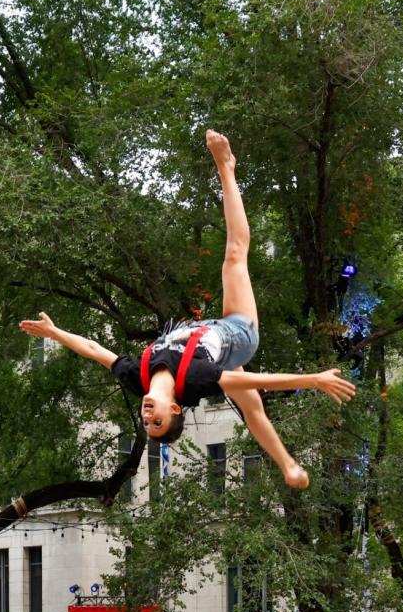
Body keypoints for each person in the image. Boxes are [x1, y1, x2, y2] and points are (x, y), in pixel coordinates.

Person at [22, 132, 353, 487]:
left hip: (211, 335)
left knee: (252, 409)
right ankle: (226, 168)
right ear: (175, 409)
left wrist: (56, 333)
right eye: (158, 422)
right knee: (234, 256)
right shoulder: (193, 380)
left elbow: (95, 351)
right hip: (238, 334)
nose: (148, 419)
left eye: (147, 424)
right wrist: (312, 380)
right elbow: (253, 379)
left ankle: (288, 465)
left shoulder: (139, 378)